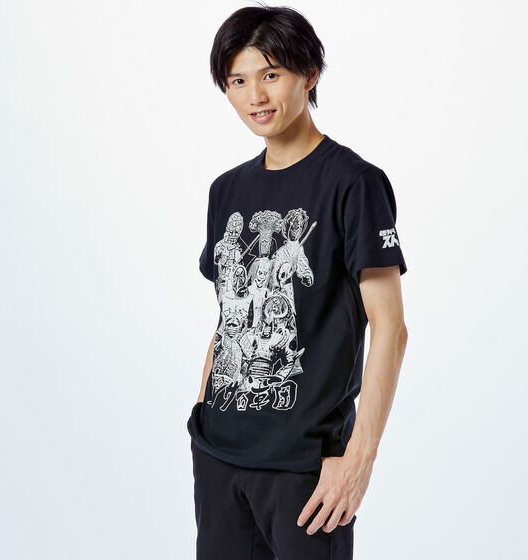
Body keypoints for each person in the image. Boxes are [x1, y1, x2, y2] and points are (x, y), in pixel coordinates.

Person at [186, 4, 408, 559]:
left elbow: (391, 328)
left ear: (309, 75)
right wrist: (202, 410)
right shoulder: (226, 191)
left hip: (305, 469)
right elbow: (227, 315)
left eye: (271, 74)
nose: (255, 96)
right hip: (218, 454)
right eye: (238, 81)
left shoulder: (354, 184)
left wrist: (358, 460)